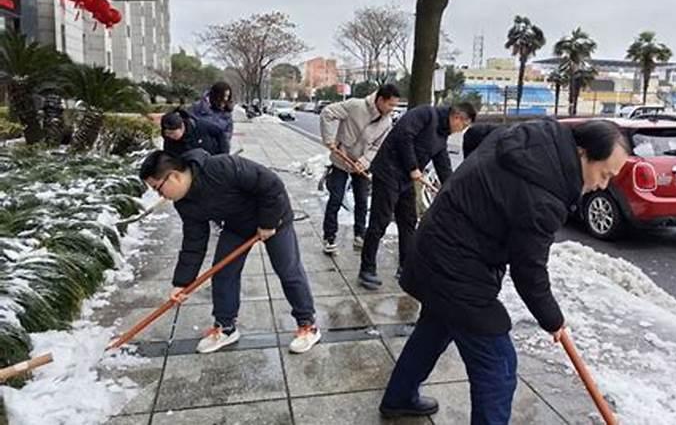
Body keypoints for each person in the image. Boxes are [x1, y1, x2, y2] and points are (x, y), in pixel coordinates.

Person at [379, 119, 630, 424]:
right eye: (604, 174)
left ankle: (399, 397)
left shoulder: (535, 135)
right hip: (456, 266)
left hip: (437, 242)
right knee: (498, 366)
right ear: (582, 153)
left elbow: (477, 135)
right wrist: (553, 319)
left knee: (434, 329)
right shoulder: (545, 195)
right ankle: (401, 397)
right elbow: (529, 270)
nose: (602, 185)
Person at [139, 149, 320, 355]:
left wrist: (268, 222)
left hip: (274, 218)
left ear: (174, 176)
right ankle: (226, 327)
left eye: (158, 189)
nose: (160, 195)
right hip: (238, 225)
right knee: (223, 273)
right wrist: (182, 283)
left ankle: (307, 324)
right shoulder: (185, 203)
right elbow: (194, 242)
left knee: (287, 270)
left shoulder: (221, 167)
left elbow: (272, 185)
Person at [358, 102, 476, 290]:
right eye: (464, 125)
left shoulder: (441, 133)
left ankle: (406, 267)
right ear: (457, 118)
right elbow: (403, 136)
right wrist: (413, 167)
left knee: (408, 221)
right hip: (388, 172)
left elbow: (442, 161)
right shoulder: (425, 114)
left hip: (404, 179)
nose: (461, 130)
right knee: (380, 222)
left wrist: (451, 189)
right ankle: (366, 269)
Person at [319, 84, 401, 255]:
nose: (392, 109)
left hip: (360, 165)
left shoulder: (386, 122)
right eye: (390, 105)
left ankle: (359, 235)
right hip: (341, 159)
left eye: (395, 106)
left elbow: (378, 146)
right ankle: (329, 237)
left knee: (362, 201)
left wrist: (364, 161)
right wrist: (330, 139)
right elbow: (327, 113)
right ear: (380, 100)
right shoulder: (355, 106)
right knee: (336, 198)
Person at [160, 109, 229, 156]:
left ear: (182, 127)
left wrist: (223, 154)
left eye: (172, 133)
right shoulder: (169, 141)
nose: (170, 136)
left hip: (211, 161)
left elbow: (220, 133)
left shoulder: (200, 126)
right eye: (167, 134)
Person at [191, 81, 234, 147]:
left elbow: (227, 134)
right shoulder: (198, 107)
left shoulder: (227, 113)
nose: (225, 99)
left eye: (228, 96)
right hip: (198, 148)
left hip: (217, 150)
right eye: (223, 96)